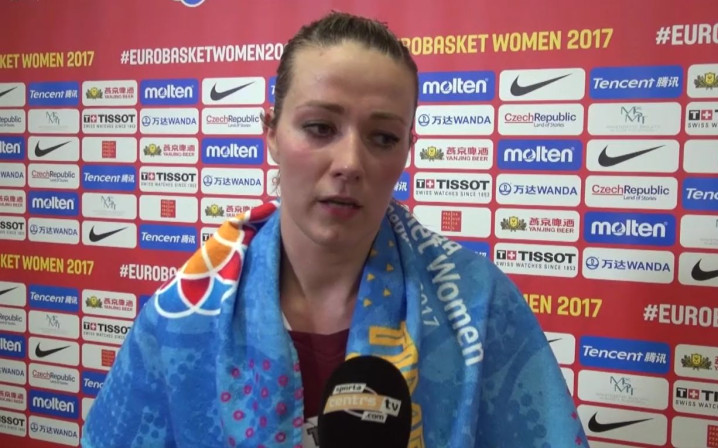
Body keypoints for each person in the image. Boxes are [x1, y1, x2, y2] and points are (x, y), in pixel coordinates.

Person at [82, 11, 587, 448]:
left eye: (382, 137)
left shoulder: (478, 304)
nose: (349, 163)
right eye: (320, 128)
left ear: (407, 150)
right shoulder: (182, 314)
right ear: (271, 133)